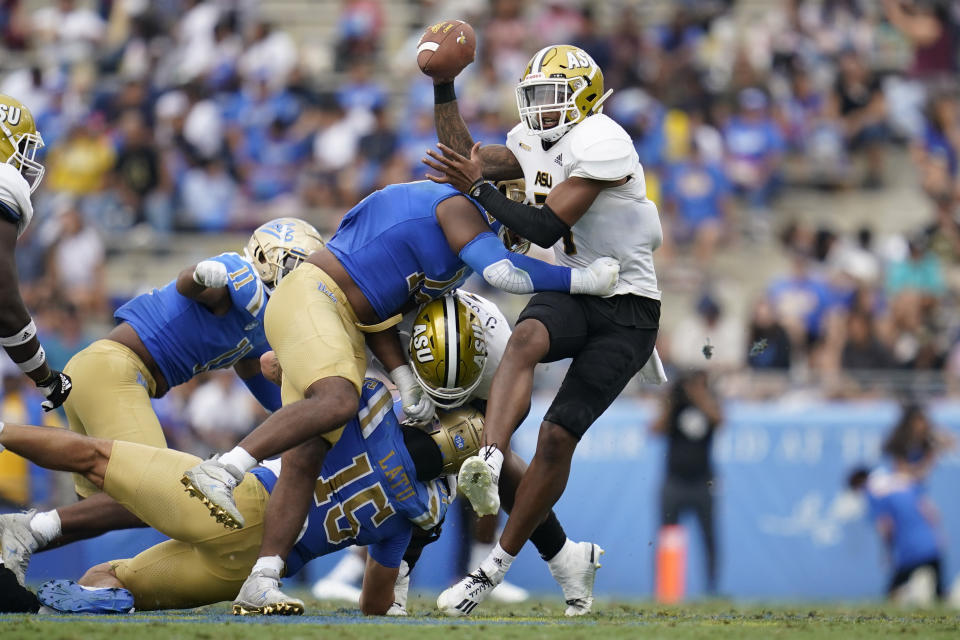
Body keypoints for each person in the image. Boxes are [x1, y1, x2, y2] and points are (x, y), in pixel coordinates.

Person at [178, 179, 621, 615]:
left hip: (444, 344)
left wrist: (485, 441)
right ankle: (562, 557)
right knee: (373, 433)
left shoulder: (407, 252)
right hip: (399, 348)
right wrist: (402, 380)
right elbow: (361, 319)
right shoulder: (402, 236)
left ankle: (556, 557)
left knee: (461, 450)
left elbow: (391, 307)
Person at [421, 44, 665, 616]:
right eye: (533, 98)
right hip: (580, 284)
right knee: (525, 337)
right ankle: (490, 456)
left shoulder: (605, 140)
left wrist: (481, 189)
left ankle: (493, 569)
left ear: (584, 98)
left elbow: (548, 220)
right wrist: (444, 87)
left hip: (628, 306)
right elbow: (469, 158)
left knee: (557, 438)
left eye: (553, 97)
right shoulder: (533, 140)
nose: (540, 110)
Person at [0, 217, 323, 586]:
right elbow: (191, 283)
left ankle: (13, 548)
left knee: (108, 507)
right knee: (155, 493)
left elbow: (272, 395)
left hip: (106, 373)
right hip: (114, 371)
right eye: (296, 266)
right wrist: (206, 274)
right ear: (270, 257)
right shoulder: (239, 274)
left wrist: (310, 414)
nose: (301, 279)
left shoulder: (262, 325)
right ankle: (20, 515)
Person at [0, 379, 467, 615]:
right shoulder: (418, 512)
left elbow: (289, 378)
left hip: (242, 503)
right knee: (111, 580)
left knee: (96, 459)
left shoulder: (373, 411)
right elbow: (374, 604)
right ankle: (45, 613)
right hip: (244, 572)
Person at [0, 94, 72, 414]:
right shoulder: (6, 181)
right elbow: (3, 302)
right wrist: (45, 377)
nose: (27, 160)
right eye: (23, 147)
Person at [650, 370, 723, 595]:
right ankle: (665, 589)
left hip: (703, 482)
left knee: (709, 539)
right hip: (674, 482)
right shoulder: (675, 405)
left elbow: (719, 421)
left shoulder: (710, 401)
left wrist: (699, 396)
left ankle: (711, 590)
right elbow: (655, 430)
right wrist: (669, 402)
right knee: (666, 538)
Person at [848, 466, 945, 605]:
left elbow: (886, 525)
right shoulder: (897, 480)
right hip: (930, 543)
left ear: (858, 484)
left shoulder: (872, 492)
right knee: (939, 593)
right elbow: (928, 509)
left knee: (891, 592)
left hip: (909, 549)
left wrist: (888, 551)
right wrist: (937, 534)